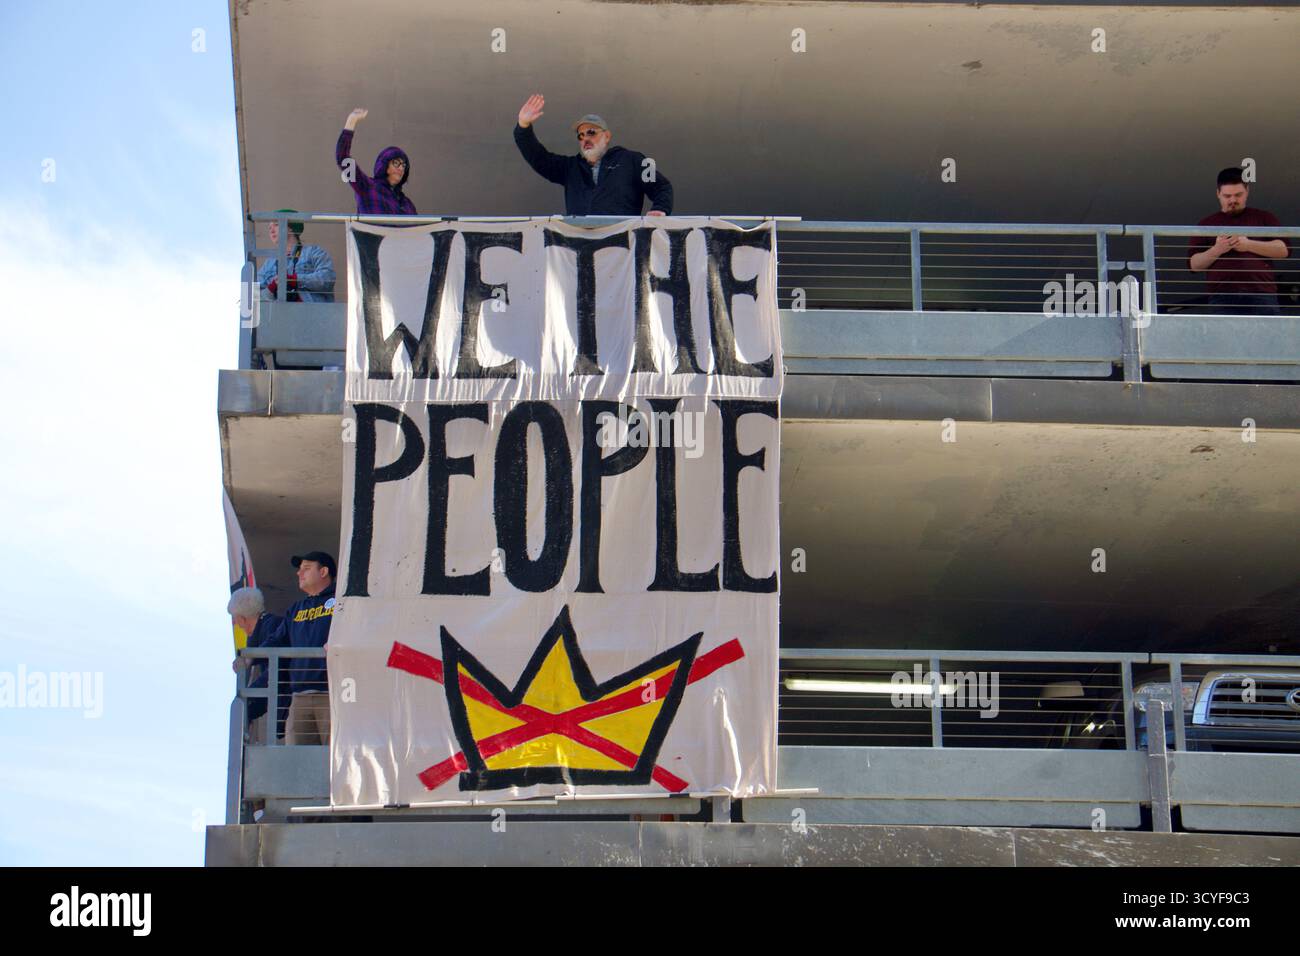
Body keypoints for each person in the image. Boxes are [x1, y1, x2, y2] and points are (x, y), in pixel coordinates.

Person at [513, 94, 673, 217]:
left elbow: (661, 186)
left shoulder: (634, 160)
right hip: (581, 249)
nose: (585, 139)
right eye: (580, 135)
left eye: (591, 132)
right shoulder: (570, 168)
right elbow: (539, 158)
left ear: (607, 136)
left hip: (623, 250)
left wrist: (660, 209)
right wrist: (523, 126)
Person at [1187, 168, 1289, 315]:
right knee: (1224, 338)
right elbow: (1194, 264)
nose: (1233, 200)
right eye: (1227, 196)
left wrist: (1248, 245)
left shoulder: (1264, 217)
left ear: (1247, 191)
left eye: (1238, 195)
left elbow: (1283, 249)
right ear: (1218, 194)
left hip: (1262, 293)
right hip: (1222, 296)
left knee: (1267, 338)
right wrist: (1217, 249)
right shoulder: (1206, 224)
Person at [262, 552, 337, 745]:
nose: (299, 574)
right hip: (299, 698)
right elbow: (277, 640)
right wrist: (248, 658)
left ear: (324, 571)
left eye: (306, 568)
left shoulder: (343, 601)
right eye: (299, 569)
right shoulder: (296, 609)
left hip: (333, 694)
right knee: (297, 762)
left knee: (334, 761)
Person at [227, 587, 283, 745]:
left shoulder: (272, 627)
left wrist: (248, 703)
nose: (235, 623)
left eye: (235, 619)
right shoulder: (265, 629)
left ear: (243, 619)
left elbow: (274, 674)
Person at [335, 108, 417, 215]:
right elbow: (343, 158)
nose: (401, 168)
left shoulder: (406, 203)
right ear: (384, 165)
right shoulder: (366, 186)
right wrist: (351, 121)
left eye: (403, 165)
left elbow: (417, 229)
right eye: (396, 163)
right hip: (372, 232)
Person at [257, 210, 336, 303]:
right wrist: (272, 287)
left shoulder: (313, 252)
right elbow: (253, 297)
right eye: (269, 227)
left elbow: (327, 278)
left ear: (290, 228)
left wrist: (294, 280)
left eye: (276, 225)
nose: (271, 230)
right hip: (280, 315)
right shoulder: (269, 263)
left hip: (312, 314)